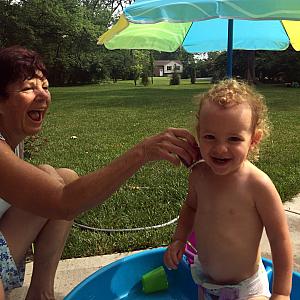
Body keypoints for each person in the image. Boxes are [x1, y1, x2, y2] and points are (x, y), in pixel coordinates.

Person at [0, 45, 200, 299]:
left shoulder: (13, 138)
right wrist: (142, 152)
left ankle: (41, 293)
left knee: (59, 174)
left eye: (46, 87)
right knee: (59, 188)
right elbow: (62, 201)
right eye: (29, 88)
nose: (43, 96)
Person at [164, 80, 293, 300]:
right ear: (199, 133)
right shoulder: (199, 175)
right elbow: (190, 207)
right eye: (210, 137)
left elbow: (280, 239)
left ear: (253, 139)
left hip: (247, 289)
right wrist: (179, 239)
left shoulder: (258, 185)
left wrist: (281, 292)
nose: (220, 148)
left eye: (234, 139)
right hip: (205, 281)